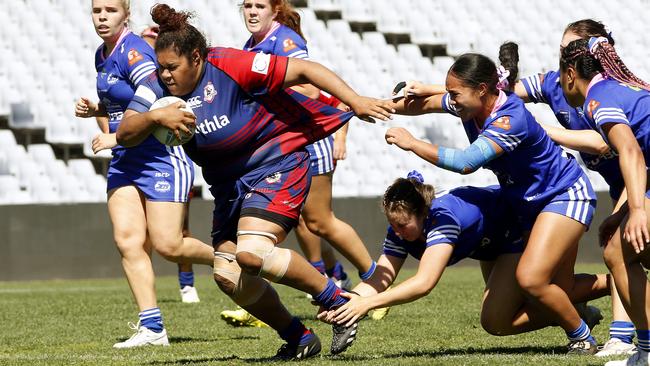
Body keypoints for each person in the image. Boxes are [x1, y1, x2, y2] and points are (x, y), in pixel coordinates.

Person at [116, 4, 394, 359]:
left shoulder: (232, 64)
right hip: (229, 187)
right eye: (162, 68)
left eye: (173, 67)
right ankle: (299, 338)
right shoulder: (155, 86)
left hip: (275, 163)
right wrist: (156, 114)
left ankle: (338, 303)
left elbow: (305, 69)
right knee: (228, 274)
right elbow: (125, 133)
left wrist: (355, 101)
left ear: (197, 58)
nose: (166, 75)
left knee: (253, 253)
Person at [382, 52, 604, 354]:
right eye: (449, 93)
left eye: (454, 94)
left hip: (563, 194)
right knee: (552, 294)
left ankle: (581, 337)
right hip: (529, 205)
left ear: (483, 90)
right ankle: (619, 283)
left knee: (531, 278)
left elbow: (466, 162)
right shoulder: (471, 106)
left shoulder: (510, 119)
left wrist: (413, 144)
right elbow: (421, 105)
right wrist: (368, 105)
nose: (451, 100)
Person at [219, 0, 380, 328]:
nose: (251, 11)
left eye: (259, 6)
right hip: (279, 142)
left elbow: (310, 87)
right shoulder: (251, 46)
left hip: (305, 137)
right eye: (246, 5)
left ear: (274, 10)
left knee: (320, 221)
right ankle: (273, 299)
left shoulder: (286, 40)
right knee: (289, 224)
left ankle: (375, 284)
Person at [74, 0, 214, 347]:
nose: (102, 17)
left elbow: (155, 99)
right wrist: (99, 108)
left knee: (169, 244)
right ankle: (152, 328)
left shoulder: (135, 52)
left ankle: (232, 258)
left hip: (159, 156)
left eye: (110, 10)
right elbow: (122, 101)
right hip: (126, 159)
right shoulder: (101, 54)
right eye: (97, 11)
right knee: (127, 240)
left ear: (126, 13)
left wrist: (113, 134)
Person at [320, 172, 609, 340]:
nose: (396, 231)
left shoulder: (443, 219)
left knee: (497, 319)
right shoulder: (402, 228)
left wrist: (368, 304)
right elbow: (380, 276)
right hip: (491, 243)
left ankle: (613, 284)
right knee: (507, 315)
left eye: (402, 224)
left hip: (516, 229)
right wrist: (346, 303)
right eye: (392, 223)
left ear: (422, 213)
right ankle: (577, 308)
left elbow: (424, 283)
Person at [504, 19, 635, 357]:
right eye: (561, 49)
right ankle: (627, 337)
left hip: (638, 176)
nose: (561, 56)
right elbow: (494, 95)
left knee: (618, 249)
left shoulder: (603, 92)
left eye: (568, 50)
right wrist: (431, 91)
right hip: (625, 179)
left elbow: (604, 144)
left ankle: (623, 338)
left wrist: (541, 130)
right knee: (620, 250)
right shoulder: (554, 83)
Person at [559, 36, 650, 366]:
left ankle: (648, 351)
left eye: (560, 76)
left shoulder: (597, 99)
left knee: (618, 250)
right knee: (621, 246)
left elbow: (630, 151)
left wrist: (638, 210)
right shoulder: (618, 89)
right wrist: (623, 213)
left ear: (570, 74)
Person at [141, 24, 200, 304]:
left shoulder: (170, 81)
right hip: (137, 162)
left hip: (172, 158)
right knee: (144, 236)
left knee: (178, 233)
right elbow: (117, 111)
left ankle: (187, 284)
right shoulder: (141, 82)